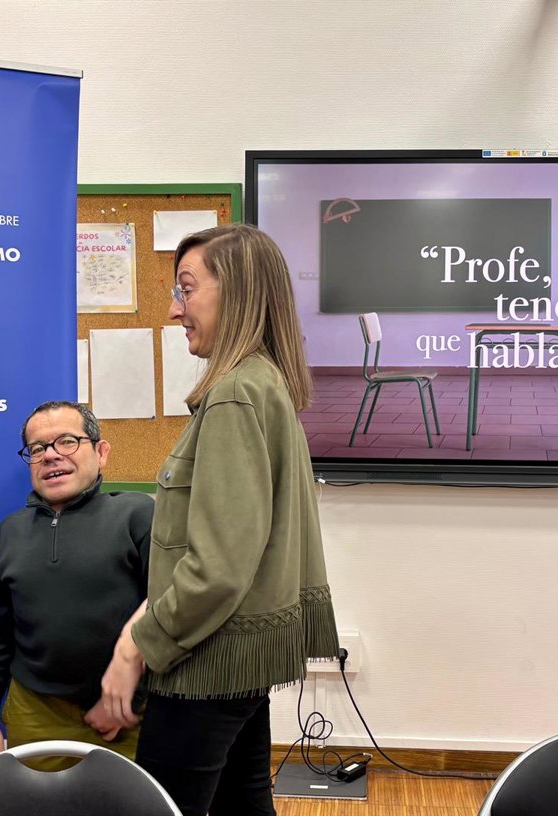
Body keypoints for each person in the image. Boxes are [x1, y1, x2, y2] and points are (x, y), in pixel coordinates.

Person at [99, 224, 340, 815]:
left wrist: (135, 648)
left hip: (207, 662)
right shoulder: (263, 382)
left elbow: (218, 568)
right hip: (238, 656)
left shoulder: (235, 394)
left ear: (238, 293)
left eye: (186, 290)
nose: (174, 309)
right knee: (243, 803)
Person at [0, 401, 153, 771]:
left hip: (128, 712)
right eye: (37, 448)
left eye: (67, 441)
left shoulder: (138, 515)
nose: (51, 455)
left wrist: (127, 697)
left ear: (101, 452)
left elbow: (168, 607)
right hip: (35, 711)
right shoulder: (11, 531)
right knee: (38, 800)